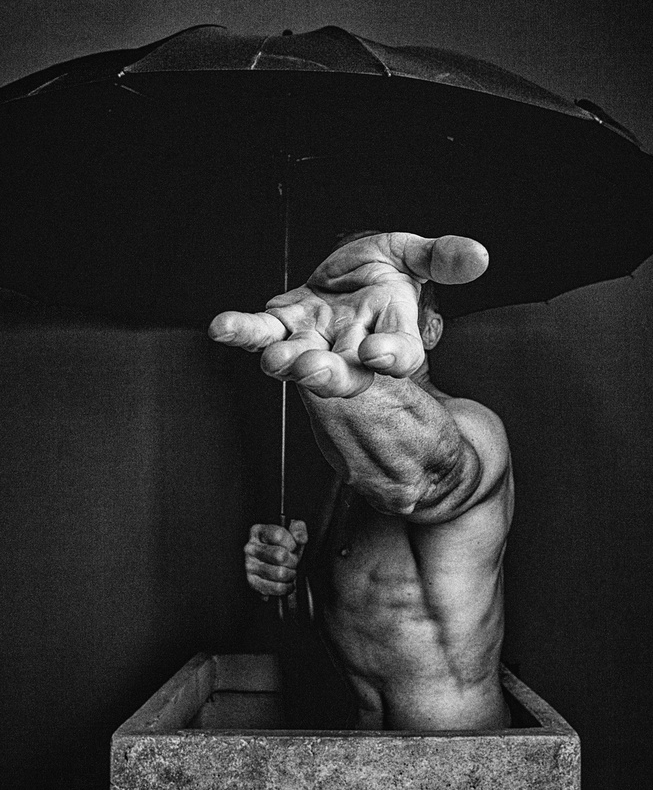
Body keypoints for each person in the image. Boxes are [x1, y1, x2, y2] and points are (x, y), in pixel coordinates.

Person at [209, 231, 513, 731]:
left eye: (381, 307)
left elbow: (426, 478)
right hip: (359, 746)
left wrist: (347, 379)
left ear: (430, 329)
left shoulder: (477, 428)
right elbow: (363, 610)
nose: (360, 322)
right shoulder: (349, 466)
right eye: (347, 307)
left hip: (458, 751)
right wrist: (286, 573)